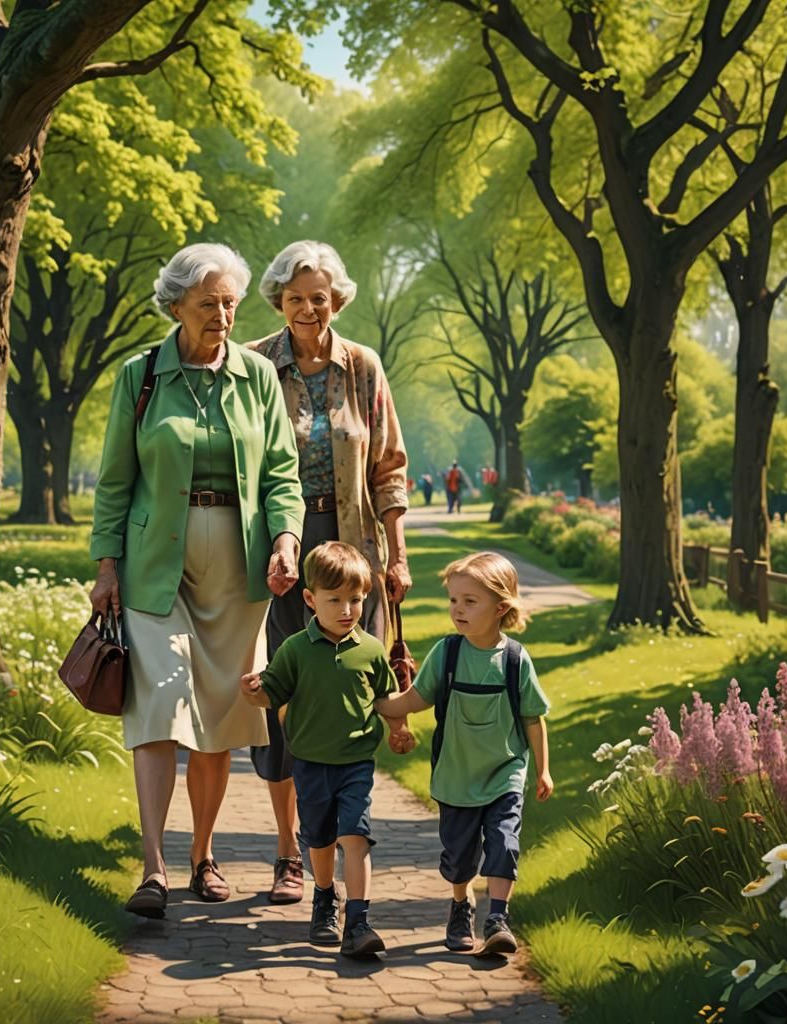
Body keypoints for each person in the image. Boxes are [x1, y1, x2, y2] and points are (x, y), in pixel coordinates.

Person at [89, 242, 305, 920]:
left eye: (231, 304)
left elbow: (280, 474)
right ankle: (152, 867)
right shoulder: (140, 377)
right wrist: (105, 566)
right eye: (209, 304)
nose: (222, 315)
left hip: (239, 573)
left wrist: (287, 539)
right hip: (157, 568)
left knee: (220, 718)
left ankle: (202, 856)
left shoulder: (257, 376)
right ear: (176, 304)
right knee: (158, 705)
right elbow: (116, 481)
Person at [246, 240, 412, 905]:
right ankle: (290, 850)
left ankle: (345, 839)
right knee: (285, 695)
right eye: (295, 298)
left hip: (349, 549)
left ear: (336, 298)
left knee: (342, 695)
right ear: (279, 302)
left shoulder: (361, 367)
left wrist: (396, 556)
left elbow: (390, 468)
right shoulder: (256, 364)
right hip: (279, 550)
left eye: (319, 297)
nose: (309, 309)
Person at [240, 541, 415, 957]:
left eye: (355, 600)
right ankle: (324, 899)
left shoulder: (372, 651)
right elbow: (273, 694)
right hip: (311, 764)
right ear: (309, 598)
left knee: (355, 836)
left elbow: (386, 699)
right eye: (334, 600)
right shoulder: (296, 650)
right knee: (318, 840)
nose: (346, 610)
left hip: (356, 762)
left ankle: (358, 921)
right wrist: (253, 694)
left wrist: (400, 727)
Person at [375, 551, 553, 956]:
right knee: (458, 857)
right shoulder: (447, 653)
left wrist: (543, 771)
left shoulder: (514, 660)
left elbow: (533, 719)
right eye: (454, 600)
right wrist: (382, 706)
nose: (458, 609)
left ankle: (497, 918)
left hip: (504, 772)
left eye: (470, 601)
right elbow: (418, 699)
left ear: (501, 607)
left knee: (504, 842)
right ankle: (460, 904)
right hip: (456, 774)